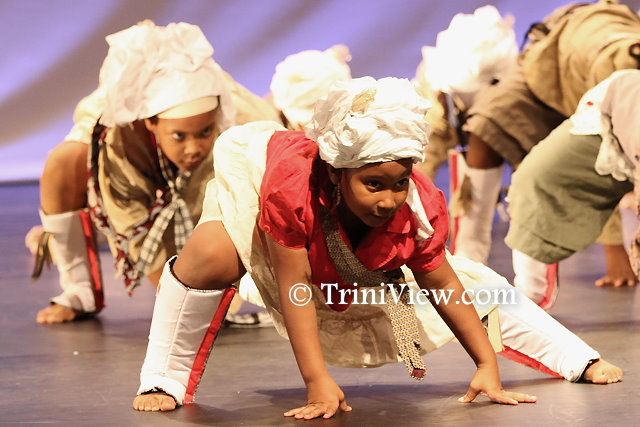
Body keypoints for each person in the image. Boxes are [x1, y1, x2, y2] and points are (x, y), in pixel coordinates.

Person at [131, 77, 621, 419]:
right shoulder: (292, 188)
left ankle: (572, 357)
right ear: (337, 173)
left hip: (357, 269)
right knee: (212, 252)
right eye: (373, 185)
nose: (389, 200)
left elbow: (446, 286)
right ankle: (163, 377)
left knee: (475, 286)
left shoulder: (414, 207)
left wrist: (486, 366)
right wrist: (317, 381)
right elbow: (294, 286)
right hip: (275, 231)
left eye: (399, 182)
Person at [28, 21, 281, 324]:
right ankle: (79, 290)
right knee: (65, 161)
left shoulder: (246, 128)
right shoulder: (120, 141)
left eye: (204, 132)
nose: (193, 148)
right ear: (151, 123)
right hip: (131, 157)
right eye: (179, 137)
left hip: (211, 179)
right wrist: (180, 303)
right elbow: (134, 227)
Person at [455, 0, 640, 300]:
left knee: (546, 177)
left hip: (593, 90)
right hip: (547, 67)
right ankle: (468, 261)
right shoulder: (613, 63)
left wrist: (615, 249)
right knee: (486, 125)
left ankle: (531, 293)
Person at [505, 69, 640, 301]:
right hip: (542, 191)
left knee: (529, 293)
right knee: (530, 293)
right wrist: (615, 251)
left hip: (613, 111)